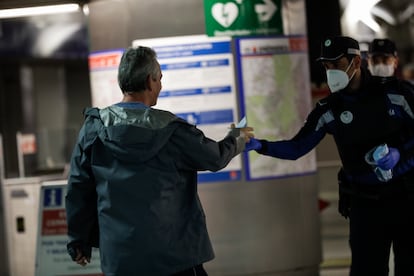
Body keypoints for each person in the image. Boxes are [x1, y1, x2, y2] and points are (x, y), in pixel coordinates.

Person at [65, 46, 254, 276]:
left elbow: (77, 189)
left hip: (120, 260)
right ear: (149, 80)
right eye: (160, 79)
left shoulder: (93, 128)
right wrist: (238, 137)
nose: (161, 87)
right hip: (174, 257)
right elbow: (215, 157)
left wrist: (78, 240)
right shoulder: (172, 130)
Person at [245, 36, 414, 275]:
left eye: (336, 64)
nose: (330, 71)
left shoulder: (396, 94)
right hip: (365, 205)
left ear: (356, 62)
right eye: (326, 66)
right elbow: (297, 148)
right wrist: (261, 145)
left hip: (406, 198)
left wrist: (401, 153)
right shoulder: (329, 110)